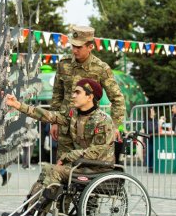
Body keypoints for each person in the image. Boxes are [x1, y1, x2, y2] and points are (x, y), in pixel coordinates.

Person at [4, 78, 115, 216]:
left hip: (98, 168)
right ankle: (28, 213)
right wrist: (18, 105)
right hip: (82, 164)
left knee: (54, 171)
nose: (73, 95)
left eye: (78, 92)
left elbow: (98, 151)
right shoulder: (73, 114)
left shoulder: (103, 121)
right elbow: (48, 116)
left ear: (90, 97)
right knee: (47, 170)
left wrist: (70, 155)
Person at [50, 25, 125, 159]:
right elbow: (57, 94)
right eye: (73, 46)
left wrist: (114, 126)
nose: (74, 50)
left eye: (79, 47)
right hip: (65, 126)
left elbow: (117, 98)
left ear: (90, 47)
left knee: (87, 169)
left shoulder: (101, 68)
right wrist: (54, 122)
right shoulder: (63, 64)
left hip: (88, 129)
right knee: (62, 168)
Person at [143, 107, 158, 173]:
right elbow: (150, 129)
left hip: (155, 138)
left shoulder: (155, 120)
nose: (154, 111)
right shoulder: (146, 121)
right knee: (149, 152)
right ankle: (148, 167)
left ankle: (152, 167)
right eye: (152, 110)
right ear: (149, 112)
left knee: (153, 152)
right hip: (149, 139)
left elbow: (157, 129)